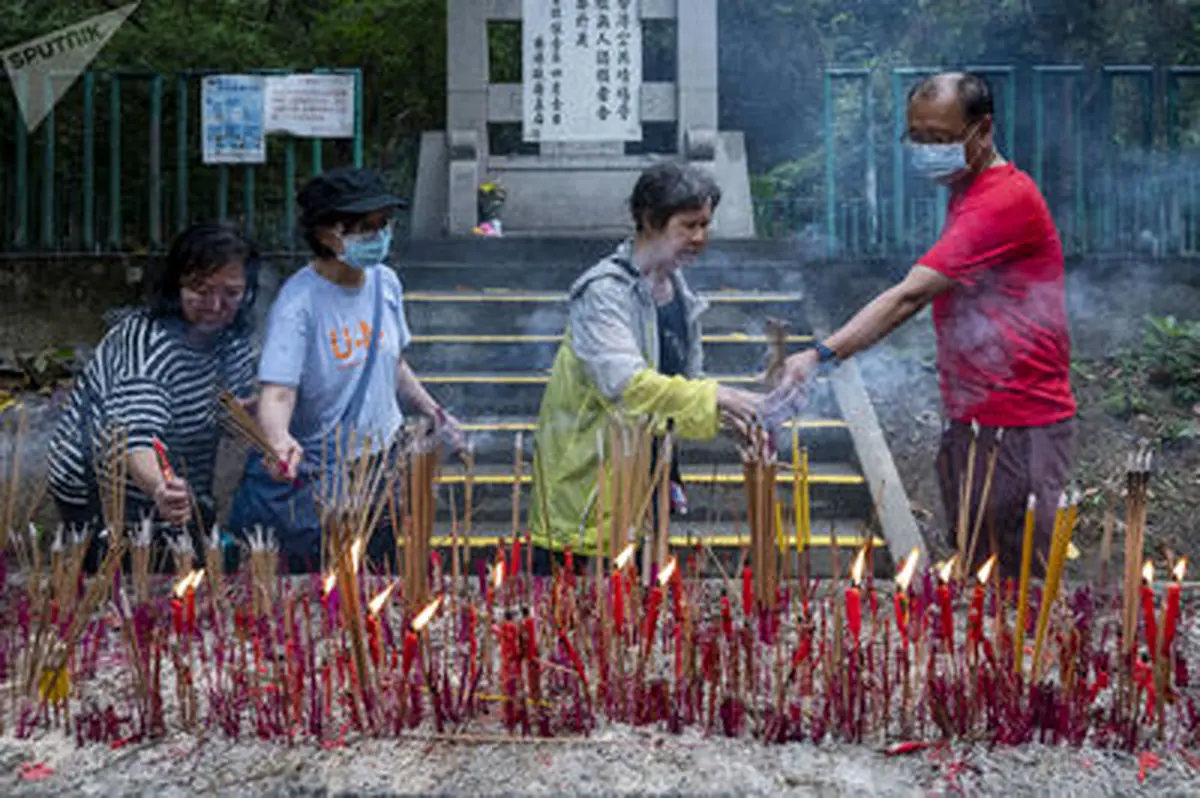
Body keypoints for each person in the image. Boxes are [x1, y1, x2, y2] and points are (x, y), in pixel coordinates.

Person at [770, 72, 1076, 579]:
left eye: (940, 138)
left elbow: (909, 296)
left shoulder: (1004, 199)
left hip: (1021, 425)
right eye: (918, 137)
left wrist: (820, 354)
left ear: (983, 130)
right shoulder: (967, 188)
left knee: (1018, 585)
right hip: (975, 418)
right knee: (978, 568)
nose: (927, 150)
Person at [227, 167, 463, 571]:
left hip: (380, 473)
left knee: (378, 577)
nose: (377, 235)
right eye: (362, 227)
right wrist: (279, 438)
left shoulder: (385, 283)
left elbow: (394, 362)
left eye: (383, 224)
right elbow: (278, 391)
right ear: (324, 234)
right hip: (321, 482)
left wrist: (434, 411)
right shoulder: (298, 303)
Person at [529, 162, 762, 573]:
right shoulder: (603, 293)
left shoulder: (680, 294)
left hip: (646, 490)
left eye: (706, 225)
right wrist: (717, 396)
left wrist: (726, 418)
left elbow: (679, 392)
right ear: (650, 220)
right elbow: (625, 386)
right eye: (689, 225)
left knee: (638, 625)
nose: (700, 238)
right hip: (589, 494)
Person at [48, 222, 259, 566]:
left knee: (180, 567)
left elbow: (225, 415)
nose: (216, 305)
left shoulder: (232, 341)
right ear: (176, 286)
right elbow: (135, 439)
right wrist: (161, 487)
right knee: (120, 573)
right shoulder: (148, 344)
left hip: (176, 477)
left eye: (231, 293)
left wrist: (259, 422)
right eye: (201, 290)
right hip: (99, 482)